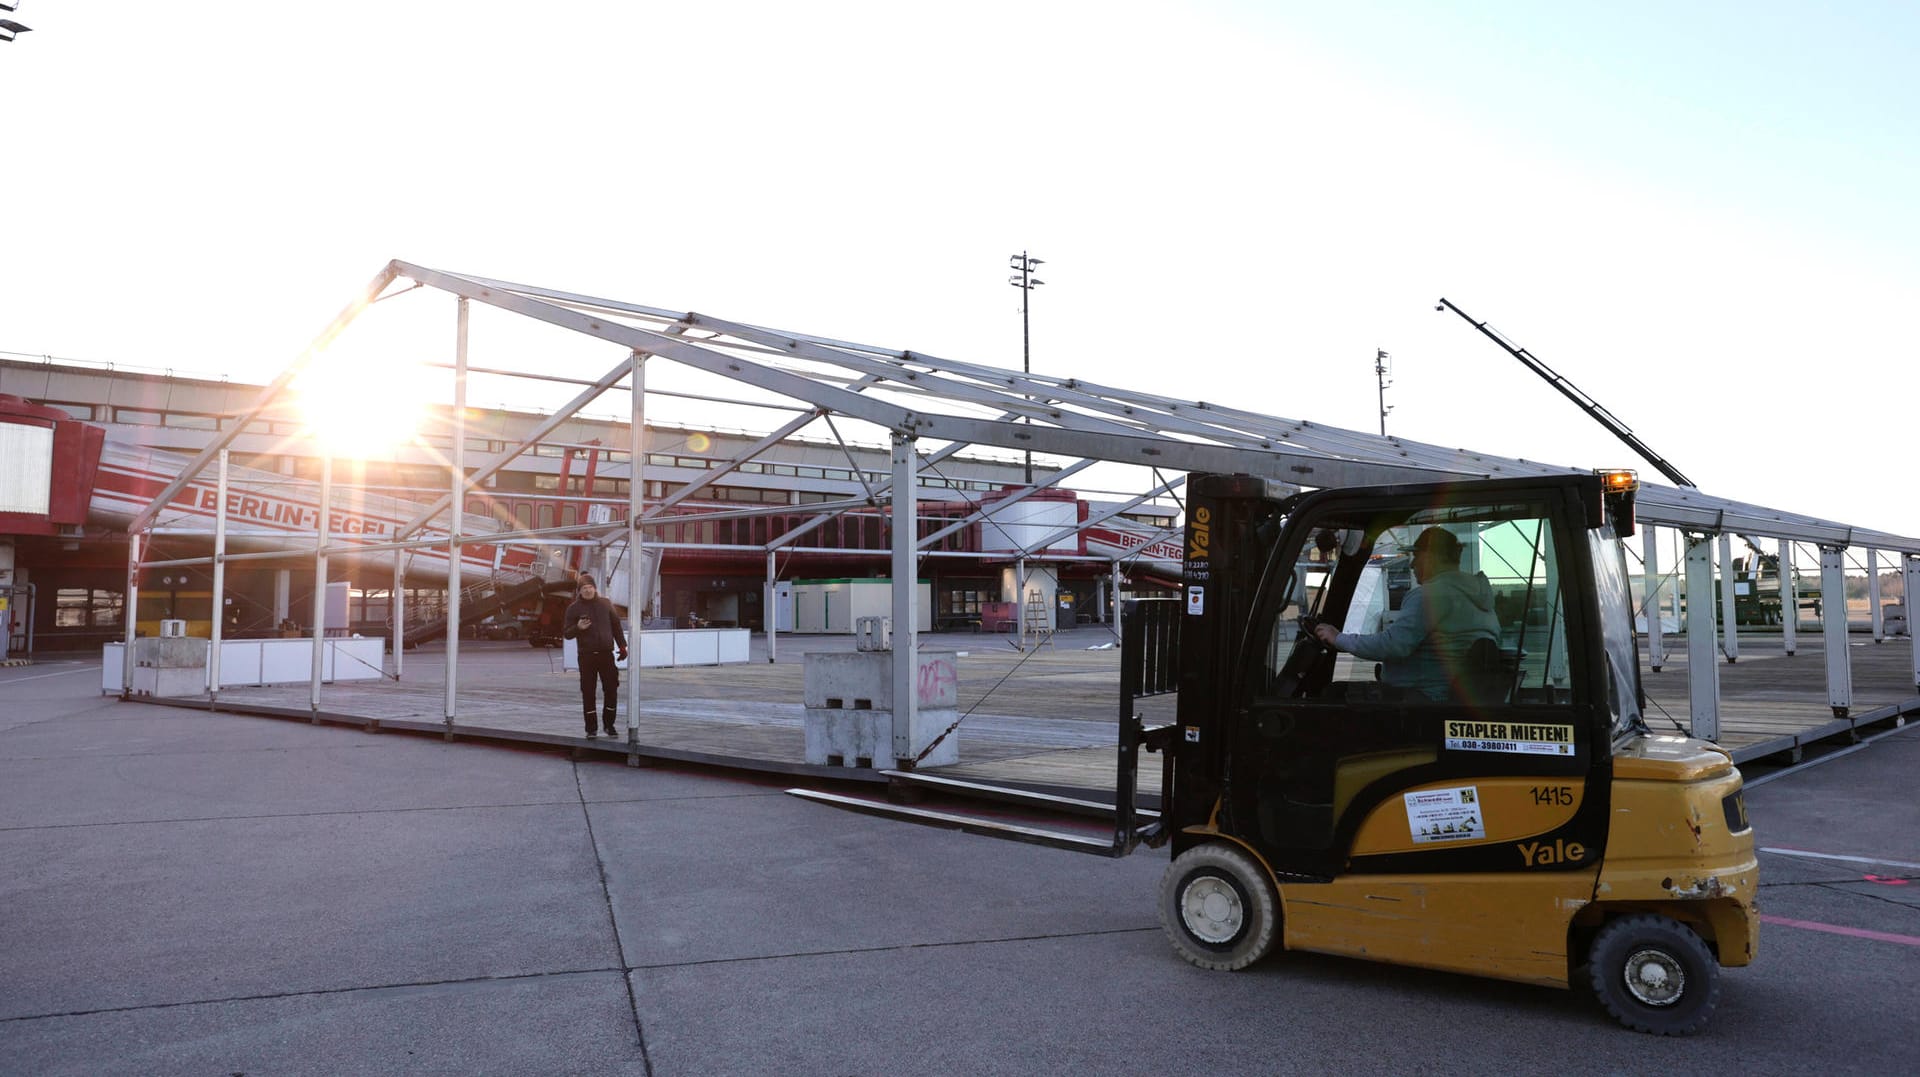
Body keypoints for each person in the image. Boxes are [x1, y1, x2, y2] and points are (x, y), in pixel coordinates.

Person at [1312, 526, 1500, 701]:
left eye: (1416, 556)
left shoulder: (1430, 596)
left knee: (1333, 694)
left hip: (1422, 699)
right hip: (1448, 697)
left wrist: (1338, 638)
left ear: (1430, 557)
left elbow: (1393, 645)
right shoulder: (1480, 598)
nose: (1412, 564)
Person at [563, 574, 628, 738]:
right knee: (588, 691)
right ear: (579, 591)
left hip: (606, 654)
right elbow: (567, 634)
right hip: (586, 656)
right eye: (584, 588)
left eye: (590, 587)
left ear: (595, 588)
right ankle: (591, 728)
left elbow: (616, 626)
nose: (588, 590)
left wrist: (622, 646)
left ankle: (609, 725)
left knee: (612, 689)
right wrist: (578, 627)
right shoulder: (573, 608)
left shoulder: (605, 603)